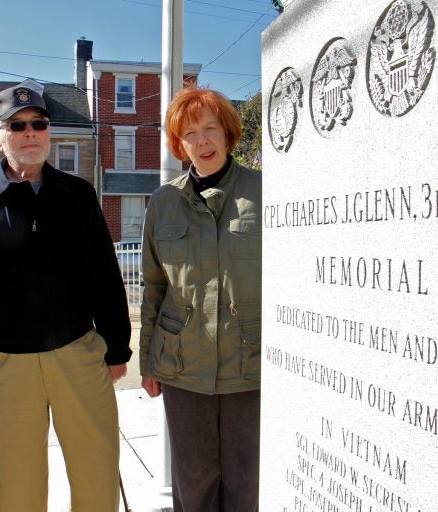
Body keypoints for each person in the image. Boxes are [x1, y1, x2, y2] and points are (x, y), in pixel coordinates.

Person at [0, 84, 131, 512]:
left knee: (96, 475)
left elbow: (105, 277)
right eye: (17, 126)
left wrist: (117, 347)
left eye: (39, 124)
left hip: (78, 356)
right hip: (8, 363)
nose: (30, 133)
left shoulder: (78, 195)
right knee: (17, 487)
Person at [140, 87, 262, 511]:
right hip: (182, 366)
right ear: (179, 144)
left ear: (228, 134)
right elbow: (153, 286)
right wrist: (148, 362)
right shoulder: (163, 203)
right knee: (193, 487)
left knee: (247, 486)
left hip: (251, 364)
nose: (203, 141)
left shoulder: (264, 194)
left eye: (211, 129)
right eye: (190, 133)